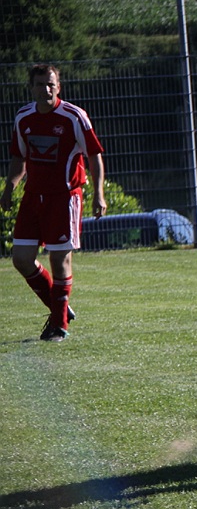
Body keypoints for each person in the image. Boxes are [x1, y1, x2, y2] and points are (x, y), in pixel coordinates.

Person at [1, 64, 106, 342]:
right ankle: (59, 306)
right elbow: (19, 158)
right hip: (33, 197)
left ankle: (59, 326)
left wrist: (99, 193)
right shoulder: (23, 117)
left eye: (51, 84)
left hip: (64, 198)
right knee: (21, 259)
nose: (46, 89)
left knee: (60, 259)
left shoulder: (74, 116)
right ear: (31, 88)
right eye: (40, 84)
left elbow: (94, 155)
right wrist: (10, 187)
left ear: (58, 87)